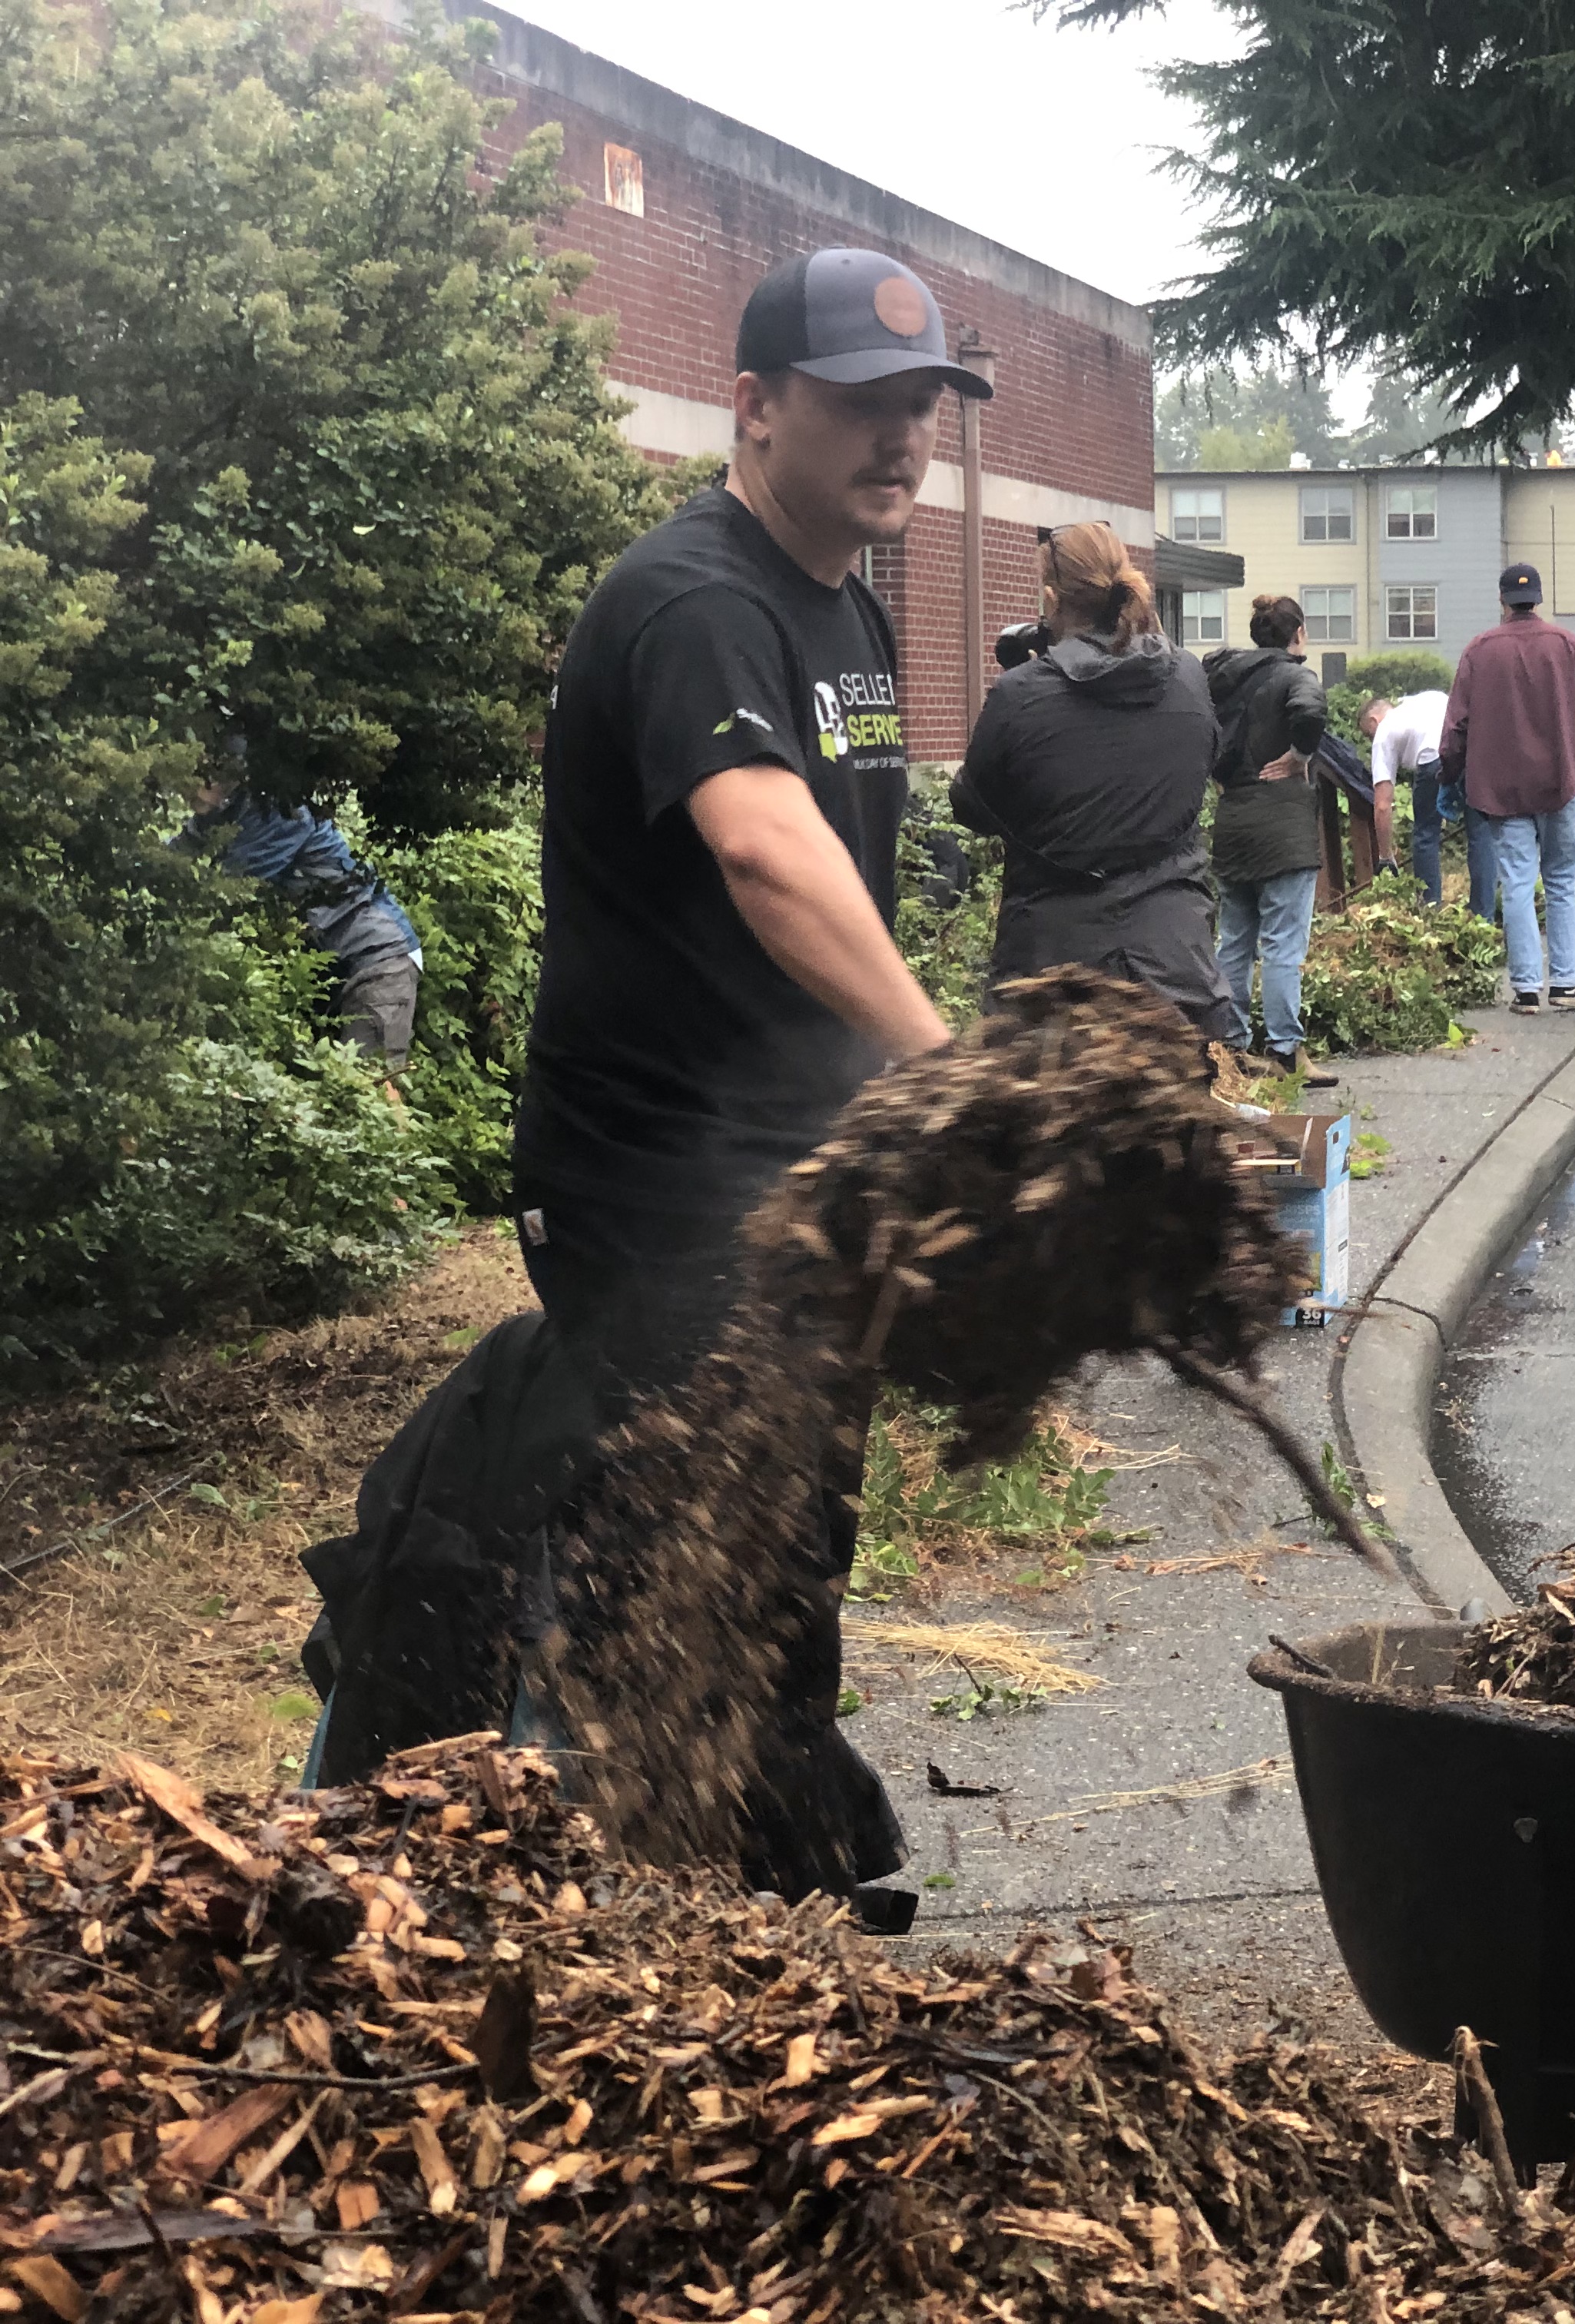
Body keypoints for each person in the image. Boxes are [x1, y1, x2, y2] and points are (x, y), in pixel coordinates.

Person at [513, 245, 986, 1906]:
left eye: (921, 407)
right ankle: (600, 1908)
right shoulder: (698, 598)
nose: (900, 438)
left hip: (798, 1161)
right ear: (756, 404)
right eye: (862, 405)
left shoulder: (843, 591)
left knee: (790, 1532)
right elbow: (773, 856)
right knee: (664, 1554)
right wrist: (954, 1070)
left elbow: (851, 877)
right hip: (655, 1176)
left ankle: (767, 1878)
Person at [951, 520, 1240, 1045]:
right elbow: (1206, 761)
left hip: (1052, 984)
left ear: (1049, 598)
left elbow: (971, 805)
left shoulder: (1021, 695)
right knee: (1174, 1126)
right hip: (1177, 972)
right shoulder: (1189, 678)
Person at [184, 760, 425, 1073]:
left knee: (371, 1085)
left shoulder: (279, 813)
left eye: (206, 775)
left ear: (233, 776)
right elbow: (175, 856)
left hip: (378, 960)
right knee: (329, 1091)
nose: (193, 784)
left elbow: (227, 891)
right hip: (329, 970)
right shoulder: (221, 816)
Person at [1442, 561, 1575, 1015]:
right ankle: (1567, 985)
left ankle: (1528, 989)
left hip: (1502, 789)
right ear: (1537, 597)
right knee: (1560, 880)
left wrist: (1448, 777)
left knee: (1515, 882)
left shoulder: (1479, 650)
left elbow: (1457, 723)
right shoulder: (1567, 645)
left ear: (1502, 601)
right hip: (1560, 782)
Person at [1205, 594, 1331, 1070]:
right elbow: (1311, 712)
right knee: (1282, 943)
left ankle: (1233, 1047)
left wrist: (1216, 773)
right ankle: (1285, 1051)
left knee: (1234, 941)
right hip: (1283, 830)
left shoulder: (1223, 682)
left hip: (1233, 823)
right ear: (1297, 634)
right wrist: (1299, 757)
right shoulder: (1296, 674)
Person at [1364, 686, 1493, 915]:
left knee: (1426, 834)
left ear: (1374, 721)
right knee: (1480, 832)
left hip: (1434, 759)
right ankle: (1484, 916)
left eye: (1368, 734)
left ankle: (1430, 912)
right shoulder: (1427, 699)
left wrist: (1386, 856)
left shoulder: (1383, 732)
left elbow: (1383, 805)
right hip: (1473, 754)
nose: (1371, 739)